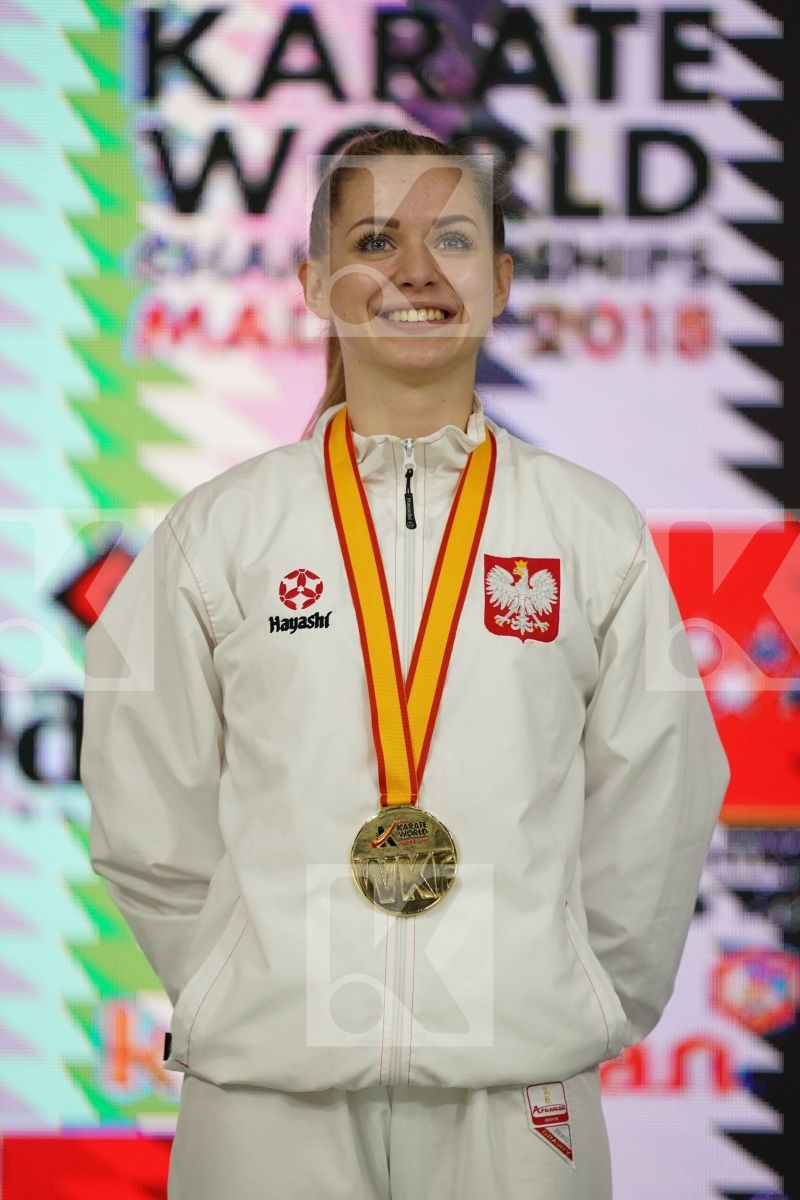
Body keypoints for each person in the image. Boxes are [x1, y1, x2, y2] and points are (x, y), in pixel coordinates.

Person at [79, 128, 730, 1200]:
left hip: (517, 1087)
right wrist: (246, 979)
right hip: (267, 1093)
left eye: (455, 239)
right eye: (375, 239)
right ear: (312, 281)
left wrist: (568, 997)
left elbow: (656, 798)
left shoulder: (587, 529)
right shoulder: (224, 530)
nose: (415, 272)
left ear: (501, 281)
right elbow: (144, 799)